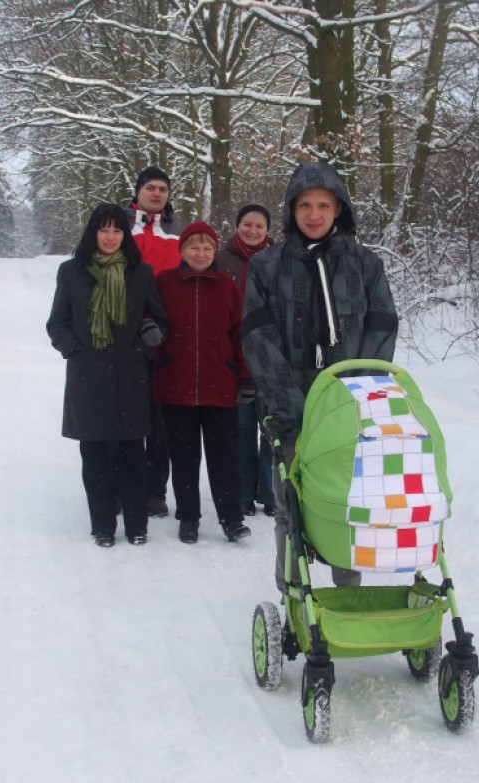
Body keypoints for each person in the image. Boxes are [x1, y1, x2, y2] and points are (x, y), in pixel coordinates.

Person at [241, 162, 399, 592]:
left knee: (348, 499)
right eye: (305, 205)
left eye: (324, 205)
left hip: (350, 408)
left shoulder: (365, 265)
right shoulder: (266, 266)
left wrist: (360, 394)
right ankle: (294, 593)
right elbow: (257, 335)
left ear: (339, 210)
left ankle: (347, 590)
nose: (314, 214)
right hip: (288, 405)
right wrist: (286, 401)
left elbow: (381, 328)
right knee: (290, 503)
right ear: (292, 210)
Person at [46, 203, 168, 548]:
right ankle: (102, 526)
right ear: (93, 233)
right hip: (90, 378)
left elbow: (160, 319)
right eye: (104, 229)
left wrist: (145, 347)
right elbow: (57, 322)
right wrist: (75, 350)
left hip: (132, 377)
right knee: (96, 456)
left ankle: (136, 526)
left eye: (117, 230)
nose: (111, 237)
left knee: (134, 455)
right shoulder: (71, 272)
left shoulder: (140, 272)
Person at [154, 221, 253, 545]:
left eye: (207, 248)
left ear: (215, 252)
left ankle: (231, 519)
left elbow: (240, 336)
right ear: (182, 250)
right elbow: (150, 323)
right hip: (175, 386)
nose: (201, 253)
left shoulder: (227, 287)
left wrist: (244, 375)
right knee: (184, 458)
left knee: (225, 458)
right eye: (194, 247)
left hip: (219, 387)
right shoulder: (165, 283)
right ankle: (188, 518)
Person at [125, 166, 182, 519]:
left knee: (161, 422)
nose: (157, 193)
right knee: (126, 417)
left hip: (167, 337)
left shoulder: (178, 232)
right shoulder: (119, 227)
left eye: (162, 188)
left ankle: (155, 491)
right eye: (151, 187)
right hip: (127, 334)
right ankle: (121, 486)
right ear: (138, 191)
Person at [216, 204, 275, 518]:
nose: (253, 231)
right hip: (233, 357)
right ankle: (241, 493)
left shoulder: (279, 259)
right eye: (247, 224)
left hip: (271, 356)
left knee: (270, 427)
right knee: (238, 429)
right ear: (237, 225)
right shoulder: (221, 259)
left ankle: (269, 493)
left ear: (267, 230)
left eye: (260, 226)